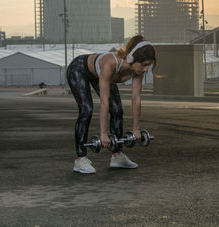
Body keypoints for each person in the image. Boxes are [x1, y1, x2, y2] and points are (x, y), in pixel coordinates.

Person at [67, 35, 156, 174]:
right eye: (144, 64)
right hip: (79, 69)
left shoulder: (137, 70)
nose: (146, 69)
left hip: (100, 75)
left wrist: (136, 129)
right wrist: (103, 134)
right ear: (133, 59)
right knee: (86, 109)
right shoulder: (111, 64)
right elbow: (104, 101)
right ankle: (80, 159)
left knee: (117, 110)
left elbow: (136, 99)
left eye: (148, 65)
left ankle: (117, 156)